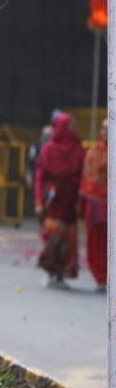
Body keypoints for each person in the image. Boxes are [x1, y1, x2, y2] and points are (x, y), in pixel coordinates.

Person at [35, 113, 85, 288]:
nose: (74, 130)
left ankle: (60, 274)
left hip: (71, 203)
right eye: (71, 126)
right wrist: (38, 202)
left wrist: (82, 202)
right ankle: (48, 270)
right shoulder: (48, 150)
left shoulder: (78, 149)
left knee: (67, 240)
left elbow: (83, 176)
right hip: (53, 203)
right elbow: (40, 177)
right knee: (52, 237)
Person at [80, 120, 108, 292]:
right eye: (103, 129)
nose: (104, 132)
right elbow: (88, 179)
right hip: (96, 205)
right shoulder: (94, 152)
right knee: (96, 242)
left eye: (108, 129)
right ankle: (101, 277)